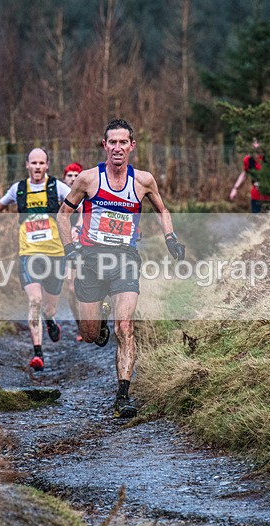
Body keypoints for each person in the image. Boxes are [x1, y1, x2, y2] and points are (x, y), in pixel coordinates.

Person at [56, 118, 185, 418]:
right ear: (104, 145)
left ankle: (122, 396)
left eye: (122, 142)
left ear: (131, 145)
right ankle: (98, 318)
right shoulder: (88, 179)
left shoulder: (143, 181)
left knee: (125, 327)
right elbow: (63, 215)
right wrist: (70, 250)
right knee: (89, 335)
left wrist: (171, 238)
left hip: (125, 259)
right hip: (90, 259)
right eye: (111, 142)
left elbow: (162, 210)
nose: (117, 147)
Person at [0, 148, 71, 371]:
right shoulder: (18, 189)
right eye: (33, 163)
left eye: (41, 163)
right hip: (29, 254)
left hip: (55, 255)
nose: (37, 167)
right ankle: (38, 353)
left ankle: (50, 320)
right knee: (34, 301)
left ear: (47, 165)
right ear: (27, 165)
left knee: (48, 307)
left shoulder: (59, 187)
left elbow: (78, 204)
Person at [62, 162, 84, 339]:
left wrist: (77, 227)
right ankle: (80, 325)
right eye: (70, 175)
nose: (73, 178)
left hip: (86, 244)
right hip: (65, 247)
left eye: (77, 175)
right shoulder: (59, 196)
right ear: (64, 178)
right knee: (71, 288)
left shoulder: (87, 195)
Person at [229, 139, 270, 213]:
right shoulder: (248, 160)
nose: (256, 145)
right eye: (254, 143)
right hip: (256, 195)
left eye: (258, 142)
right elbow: (244, 173)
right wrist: (235, 188)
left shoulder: (269, 158)